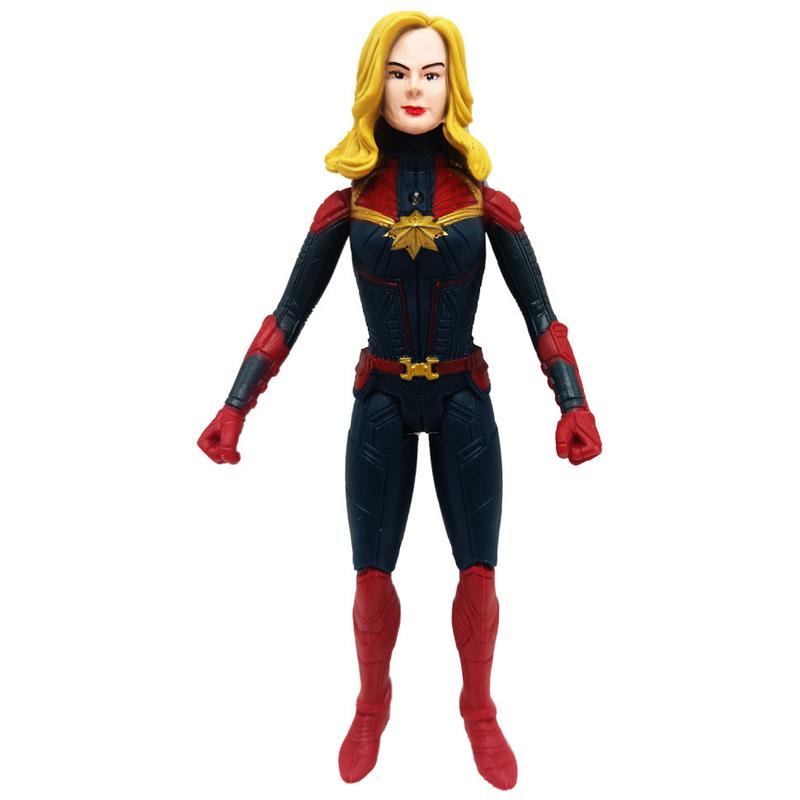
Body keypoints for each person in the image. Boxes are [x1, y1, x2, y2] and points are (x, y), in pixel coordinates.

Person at [198, 10, 602, 791]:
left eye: (431, 73)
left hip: (462, 397)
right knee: (371, 576)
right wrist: (236, 404)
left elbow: (540, 312)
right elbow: (289, 312)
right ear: (373, 84)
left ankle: (479, 709)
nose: (415, 88)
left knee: (478, 572)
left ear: (454, 86)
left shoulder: (483, 202)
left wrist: (573, 401)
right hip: (381, 396)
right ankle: (371, 704)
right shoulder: (349, 205)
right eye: (398, 72)